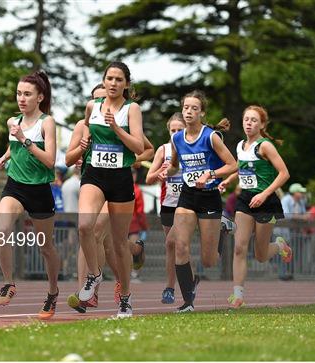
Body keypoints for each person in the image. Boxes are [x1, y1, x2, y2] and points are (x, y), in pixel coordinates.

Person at [77, 62, 144, 318]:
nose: (113, 83)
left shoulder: (132, 109)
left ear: (126, 84)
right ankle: (94, 275)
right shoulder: (92, 106)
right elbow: (87, 127)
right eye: (109, 78)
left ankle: (125, 298)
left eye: (118, 79)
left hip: (120, 178)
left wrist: (116, 128)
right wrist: (85, 142)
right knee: (84, 227)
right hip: (94, 173)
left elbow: (138, 147)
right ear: (103, 82)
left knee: (118, 244)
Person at [0, 70, 61, 320]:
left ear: (40, 97)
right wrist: (5, 155)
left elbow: (50, 161)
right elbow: (14, 146)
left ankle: (53, 291)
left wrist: (24, 140)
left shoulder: (47, 122)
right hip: (15, 186)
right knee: (2, 231)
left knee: (46, 248)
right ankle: (9, 282)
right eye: (19, 93)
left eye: (27, 94)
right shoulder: (13, 121)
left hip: (40, 189)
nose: (21, 98)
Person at [165, 90, 237, 313]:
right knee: (181, 246)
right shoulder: (177, 138)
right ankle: (188, 302)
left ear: (201, 113)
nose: (189, 112)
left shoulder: (210, 136)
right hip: (187, 196)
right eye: (186, 107)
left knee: (209, 261)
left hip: (209, 196)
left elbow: (233, 165)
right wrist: (167, 170)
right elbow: (176, 165)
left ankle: (222, 230)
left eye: (194, 108)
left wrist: (210, 175)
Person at [218, 105, 292, 308]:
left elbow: (284, 174)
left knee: (260, 255)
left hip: (266, 201)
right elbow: (242, 169)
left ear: (262, 124)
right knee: (240, 247)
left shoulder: (265, 146)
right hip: (245, 201)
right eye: (246, 120)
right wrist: (228, 180)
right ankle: (238, 294)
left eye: (253, 120)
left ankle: (279, 246)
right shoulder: (241, 145)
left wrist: (264, 194)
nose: (249, 123)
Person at [146, 112, 186, 304]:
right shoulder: (163, 150)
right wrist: (159, 174)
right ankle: (185, 283)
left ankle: (170, 288)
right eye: (173, 130)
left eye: (180, 130)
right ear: (169, 131)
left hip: (187, 204)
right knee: (176, 247)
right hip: (168, 204)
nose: (176, 133)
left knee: (172, 243)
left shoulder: (192, 148)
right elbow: (148, 177)